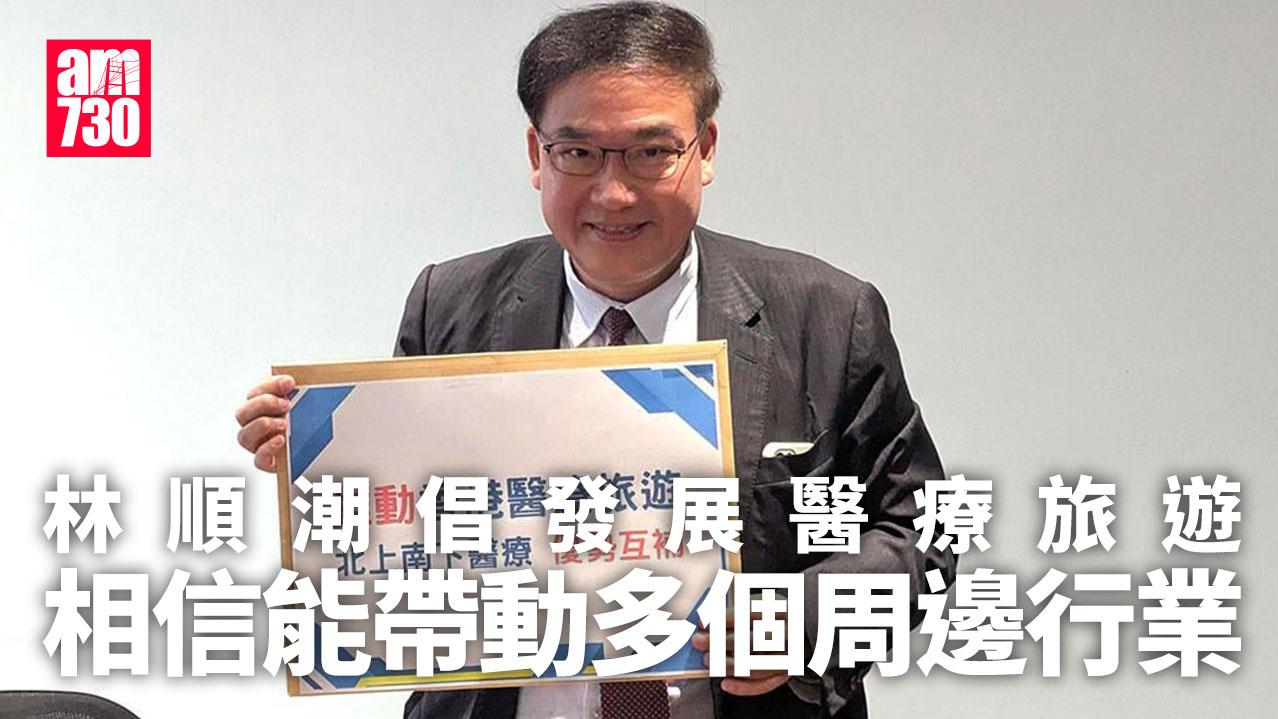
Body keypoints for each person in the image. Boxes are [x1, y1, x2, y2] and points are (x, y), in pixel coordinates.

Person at [235, 3, 956, 717]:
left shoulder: (827, 314)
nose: (613, 193)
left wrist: (807, 617)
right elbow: (414, 523)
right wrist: (319, 460)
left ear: (705, 149)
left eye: (651, 152)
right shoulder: (448, 304)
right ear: (535, 155)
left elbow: (924, 532)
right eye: (578, 154)